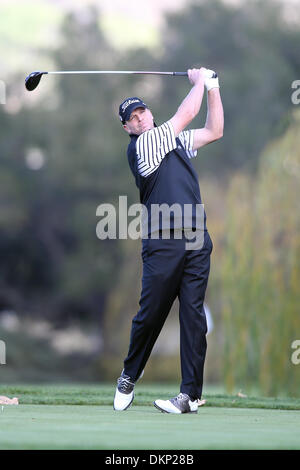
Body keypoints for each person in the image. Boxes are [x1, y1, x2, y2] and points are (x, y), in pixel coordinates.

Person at [114, 67, 224, 413]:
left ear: (149, 112)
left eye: (142, 111)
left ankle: (189, 395)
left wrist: (213, 87)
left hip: (195, 239)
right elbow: (187, 113)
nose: (140, 118)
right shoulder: (145, 145)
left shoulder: (174, 139)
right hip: (162, 242)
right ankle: (130, 373)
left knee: (193, 316)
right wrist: (198, 81)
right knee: (151, 315)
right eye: (132, 117)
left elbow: (214, 130)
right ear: (128, 128)